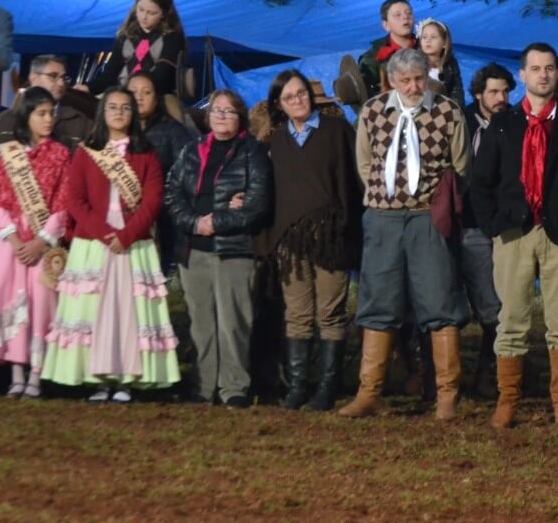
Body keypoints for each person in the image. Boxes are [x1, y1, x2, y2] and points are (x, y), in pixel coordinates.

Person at [470, 43, 558, 429]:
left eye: (549, 68)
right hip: (514, 233)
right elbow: (480, 182)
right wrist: (493, 226)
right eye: (535, 68)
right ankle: (508, 401)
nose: (543, 74)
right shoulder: (502, 124)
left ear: (557, 74)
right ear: (523, 75)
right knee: (511, 320)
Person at [339, 47, 470, 420]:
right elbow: (365, 163)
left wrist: (437, 203)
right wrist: (385, 196)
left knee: (440, 302)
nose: (413, 87)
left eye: (419, 78)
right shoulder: (372, 111)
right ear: (391, 80)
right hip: (383, 218)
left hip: (428, 218)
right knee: (378, 301)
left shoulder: (448, 112)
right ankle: (369, 393)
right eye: (405, 80)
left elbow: (461, 166)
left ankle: (447, 395)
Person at [42, 88, 180, 402]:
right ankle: (99, 379)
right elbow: (74, 199)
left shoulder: (146, 153)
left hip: (134, 242)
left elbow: (153, 200)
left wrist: (127, 235)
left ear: (133, 113)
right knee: (94, 309)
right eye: (113, 107)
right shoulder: (87, 152)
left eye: (125, 107)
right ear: (102, 112)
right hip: (94, 242)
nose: (119, 113)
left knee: (130, 311)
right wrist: (105, 234)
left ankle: (126, 378)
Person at [165, 89, 272, 408]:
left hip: (233, 249)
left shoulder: (252, 152)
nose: (221, 116)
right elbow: (173, 193)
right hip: (193, 248)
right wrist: (195, 223)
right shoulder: (192, 150)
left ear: (240, 117)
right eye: (216, 110)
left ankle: (233, 387)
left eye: (228, 111)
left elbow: (257, 204)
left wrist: (218, 221)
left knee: (233, 322)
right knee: (200, 322)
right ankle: (203, 385)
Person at [266, 70, 362, 410]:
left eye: (301, 92)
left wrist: (347, 227)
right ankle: (297, 386)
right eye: (289, 96)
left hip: (331, 238)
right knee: (297, 312)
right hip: (291, 242)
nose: (298, 100)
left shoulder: (337, 130)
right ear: (279, 104)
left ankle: (327, 387)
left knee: (330, 313)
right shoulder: (278, 141)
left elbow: (353, 181)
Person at [0, 88, 71, 398]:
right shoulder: (10, 153)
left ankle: (37, 375)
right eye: (41, 113)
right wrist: (14, 238)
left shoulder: (60, 154)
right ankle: (16, 373)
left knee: (41, 305)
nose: (48, 119)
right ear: (26, 116)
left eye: (51, 113)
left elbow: (63, 202)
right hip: (10, 243)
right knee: (11, 301)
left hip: (43, 241)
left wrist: (41, 241)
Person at [459, 63, 514, 397]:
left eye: (505, 91)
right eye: (493, 91)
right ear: (479, 93)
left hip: (502, 225)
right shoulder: (462, 123)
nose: (500, 98)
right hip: (465, 222)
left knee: (497, 304)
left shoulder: (515, 124)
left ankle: (491, 375)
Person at [129, 71, 196, 271]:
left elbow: (187, 174)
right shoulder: (116, 131)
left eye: (146, 92)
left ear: (157, 99)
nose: (139, 97)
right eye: (133, 92)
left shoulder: (172, 130)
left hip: (164, 218)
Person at [79, 0, 187, 101]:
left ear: (164, 14)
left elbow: (162, 76)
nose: (144, 16)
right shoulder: (126, 35)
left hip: (153, 98)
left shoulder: (171, 38)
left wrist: (138, 92)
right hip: (121, 95)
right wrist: (88, 87)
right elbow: (109, 75)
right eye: (141, 9)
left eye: (151, 13)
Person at [0, 55, 93, 149]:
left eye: (63, 77)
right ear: (33, 78)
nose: (61, 83)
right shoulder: (3, 122)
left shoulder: (81, 122)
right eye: (53, 76)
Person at [357, 0, 416, 97]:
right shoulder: (373, 57)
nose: (405, 17)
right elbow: (364, 93)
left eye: (409, 13)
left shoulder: (426, 47)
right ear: (386, 25)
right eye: (397, 15)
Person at [417, 17, 463, 100]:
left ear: (444, 43)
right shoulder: (414, 62)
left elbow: (457, 91)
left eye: (433, 37)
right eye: (424, 37)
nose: (428, 40)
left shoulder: (451, 64)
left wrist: (455, 107)